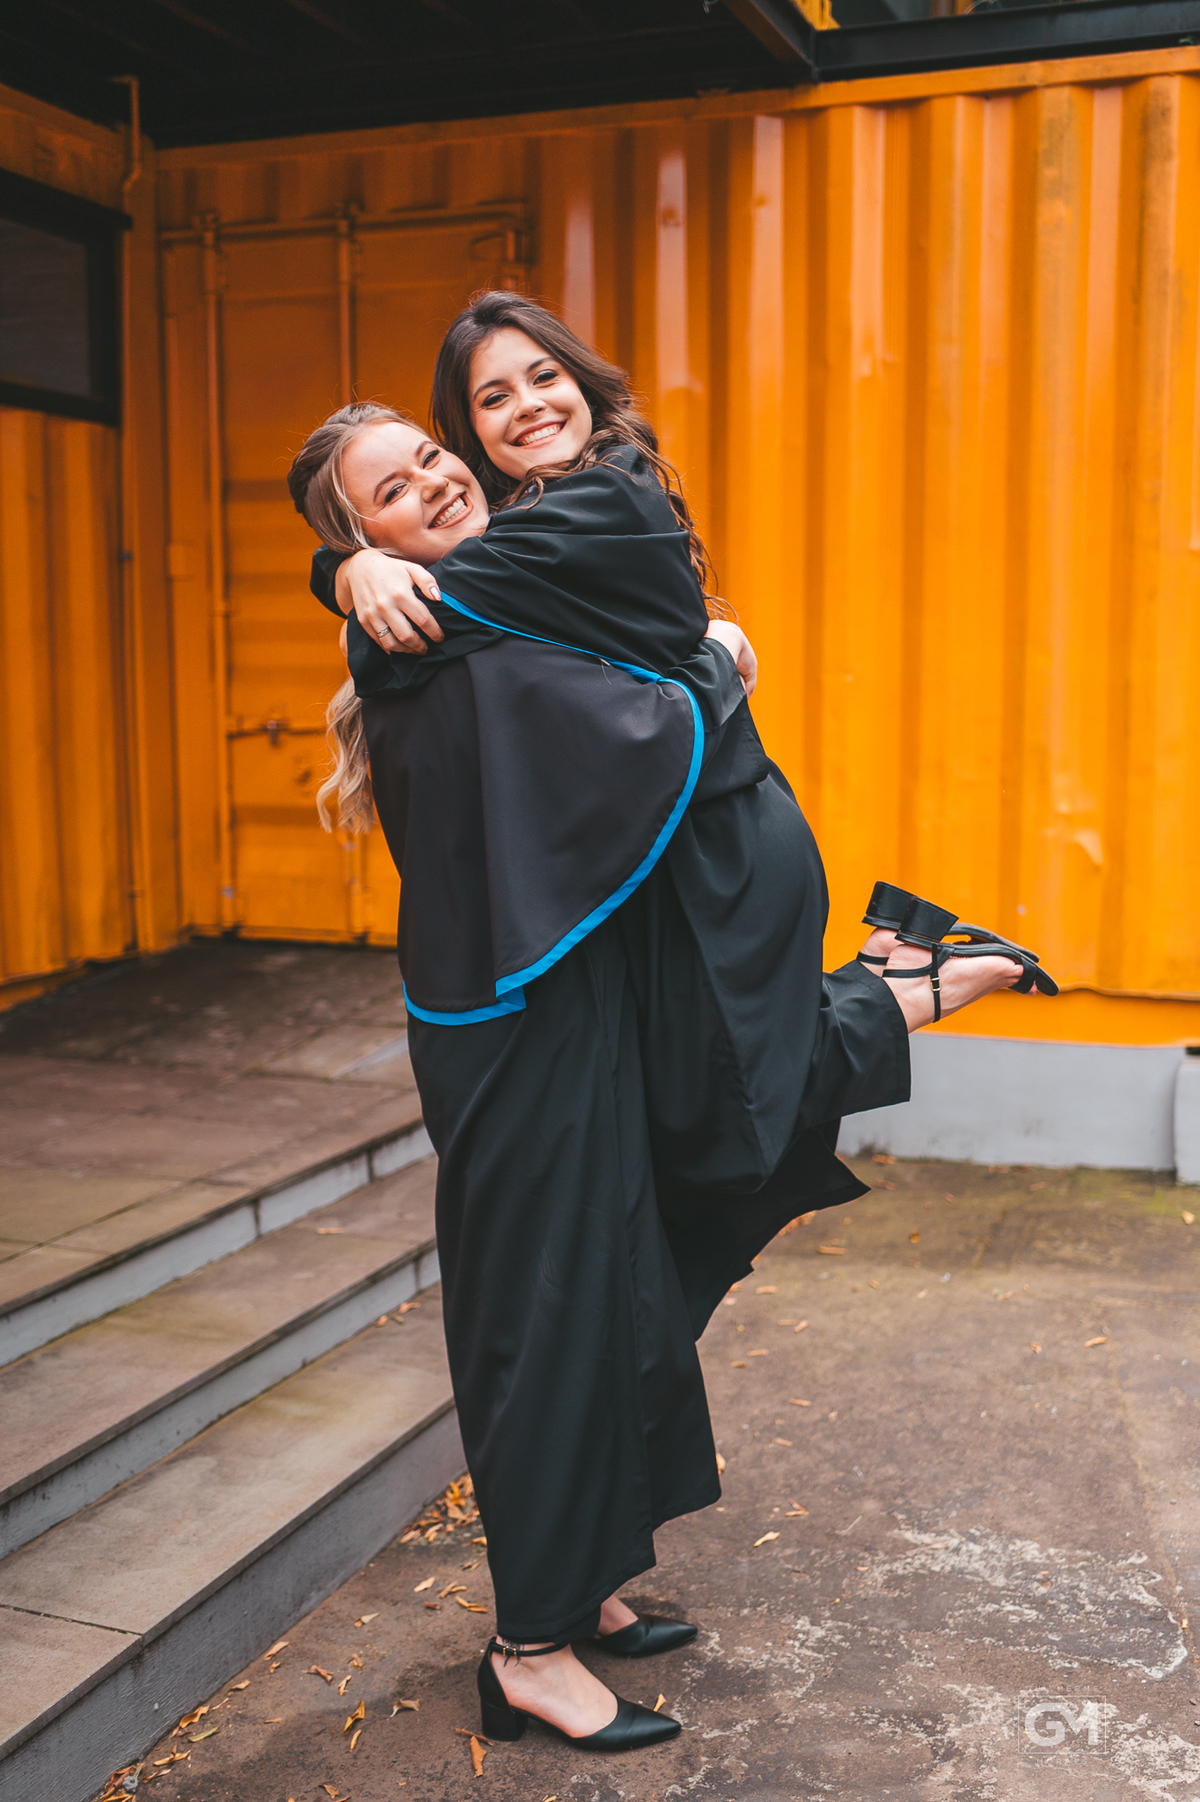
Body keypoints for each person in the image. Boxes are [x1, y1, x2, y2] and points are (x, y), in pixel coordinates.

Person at [289, 298, 1053, 1751]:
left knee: (625, 1277)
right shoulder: (431, 629)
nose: (440, 477)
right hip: (512, 1032)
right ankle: (527, 1649)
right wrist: (710, 662)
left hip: (573, 1001)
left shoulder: (491, 593)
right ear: (368, 533)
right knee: (546, 1316)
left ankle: (581, 1581)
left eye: (433, 456)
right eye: (393, 488)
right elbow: (636, 740)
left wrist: (353, 564)